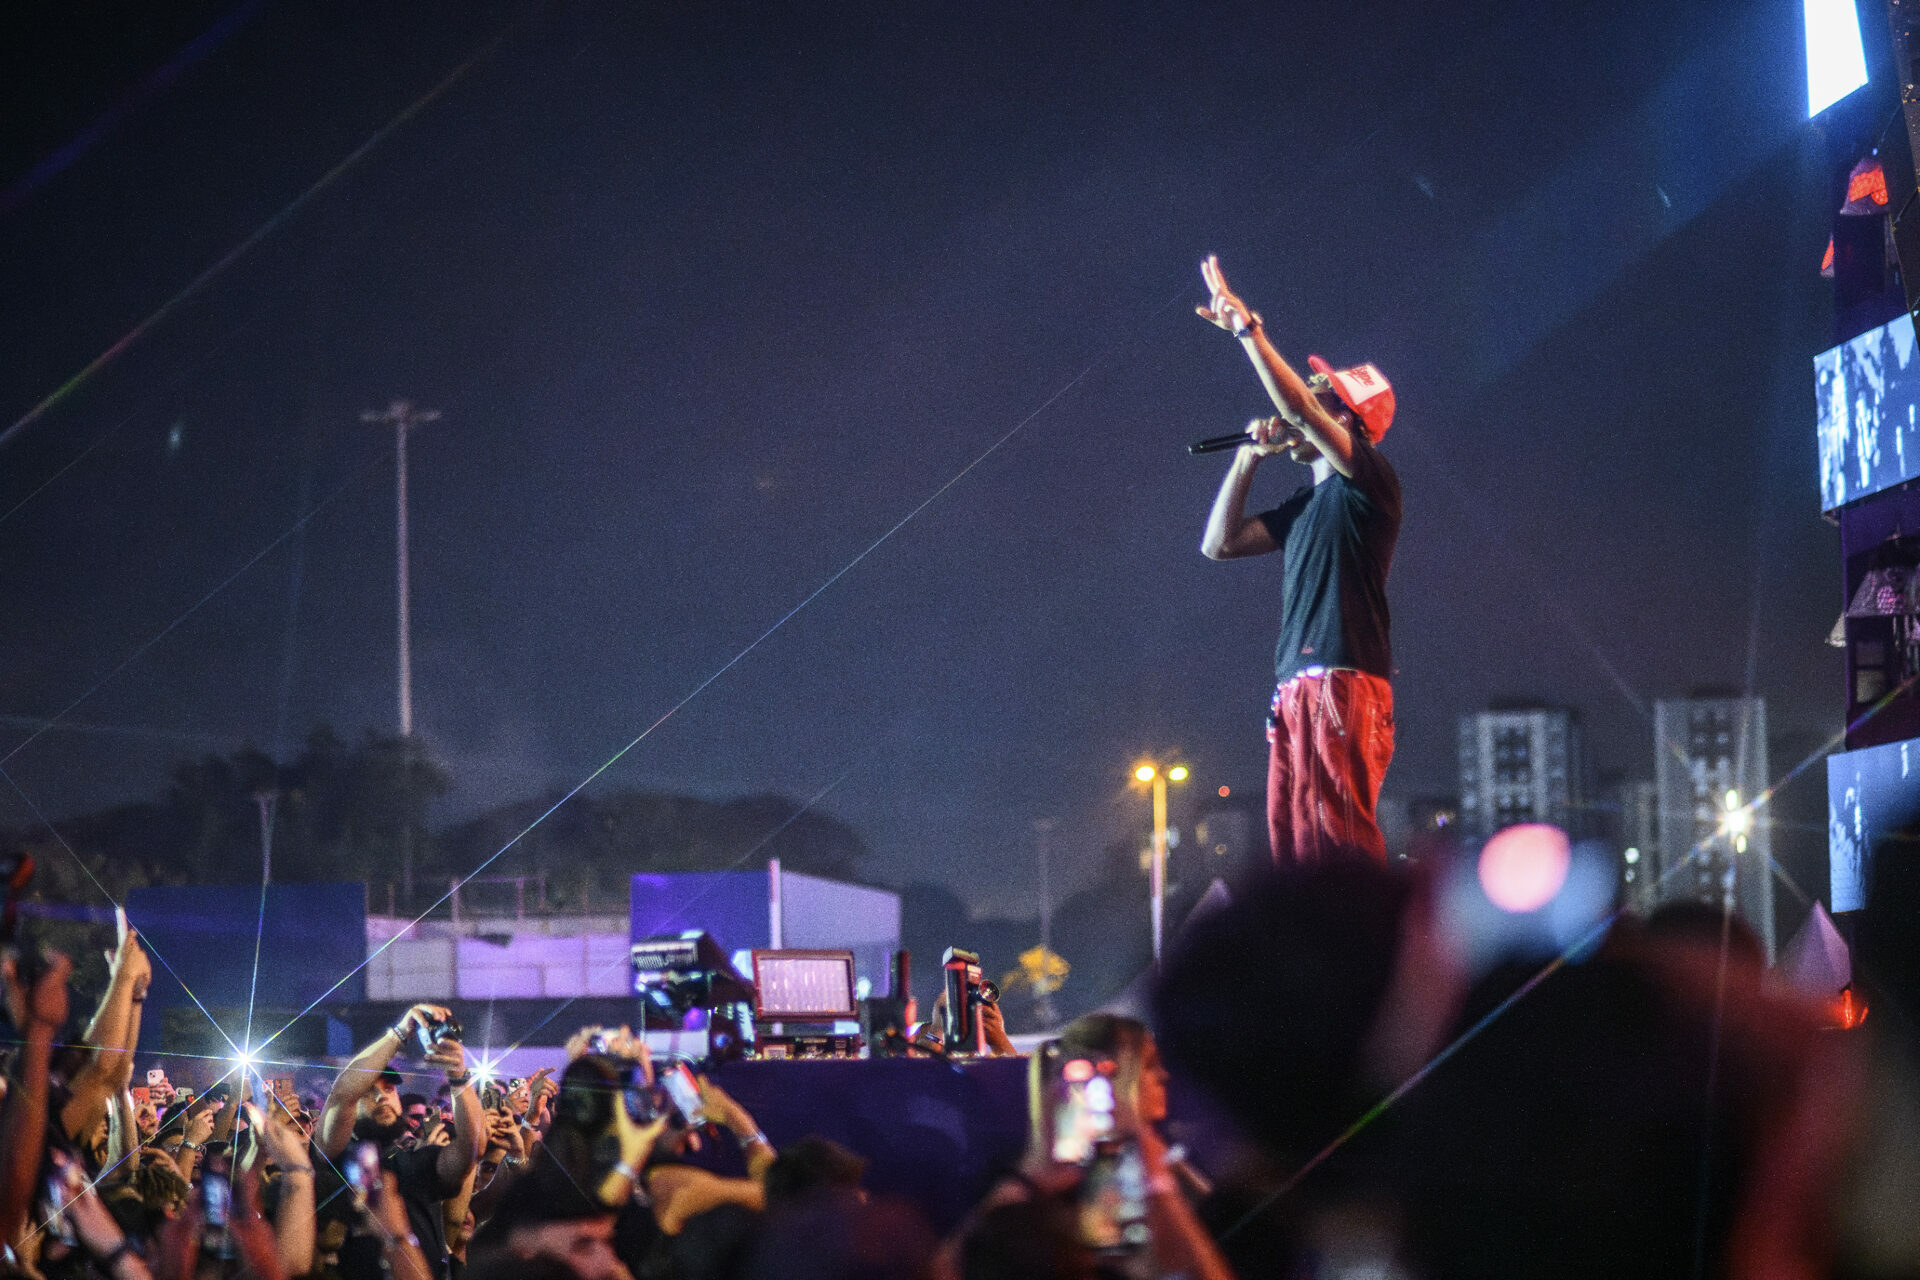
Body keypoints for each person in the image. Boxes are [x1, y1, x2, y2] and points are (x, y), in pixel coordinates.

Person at [1195, 255, 1401, 866]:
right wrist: (1247, 459)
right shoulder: (1304, 506)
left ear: (1345, 419)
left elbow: (1300, 413)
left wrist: (1247, 330)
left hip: (1343, 677)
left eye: (1319, 393)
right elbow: (1218, 544)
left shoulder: (1369, 482)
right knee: (1296, 851)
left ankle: (1363, 928)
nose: (1306, 396)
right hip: (1296, 685)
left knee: (1339, 843)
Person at [318, 1003, 485, 1280]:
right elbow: (343, 1094)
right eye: (369, 1091)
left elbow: (472, 1147)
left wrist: (458, 1076)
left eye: (389, 1089)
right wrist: (400, 1032)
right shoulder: (335, 1158)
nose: (382, 1096)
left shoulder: (417, 1161)